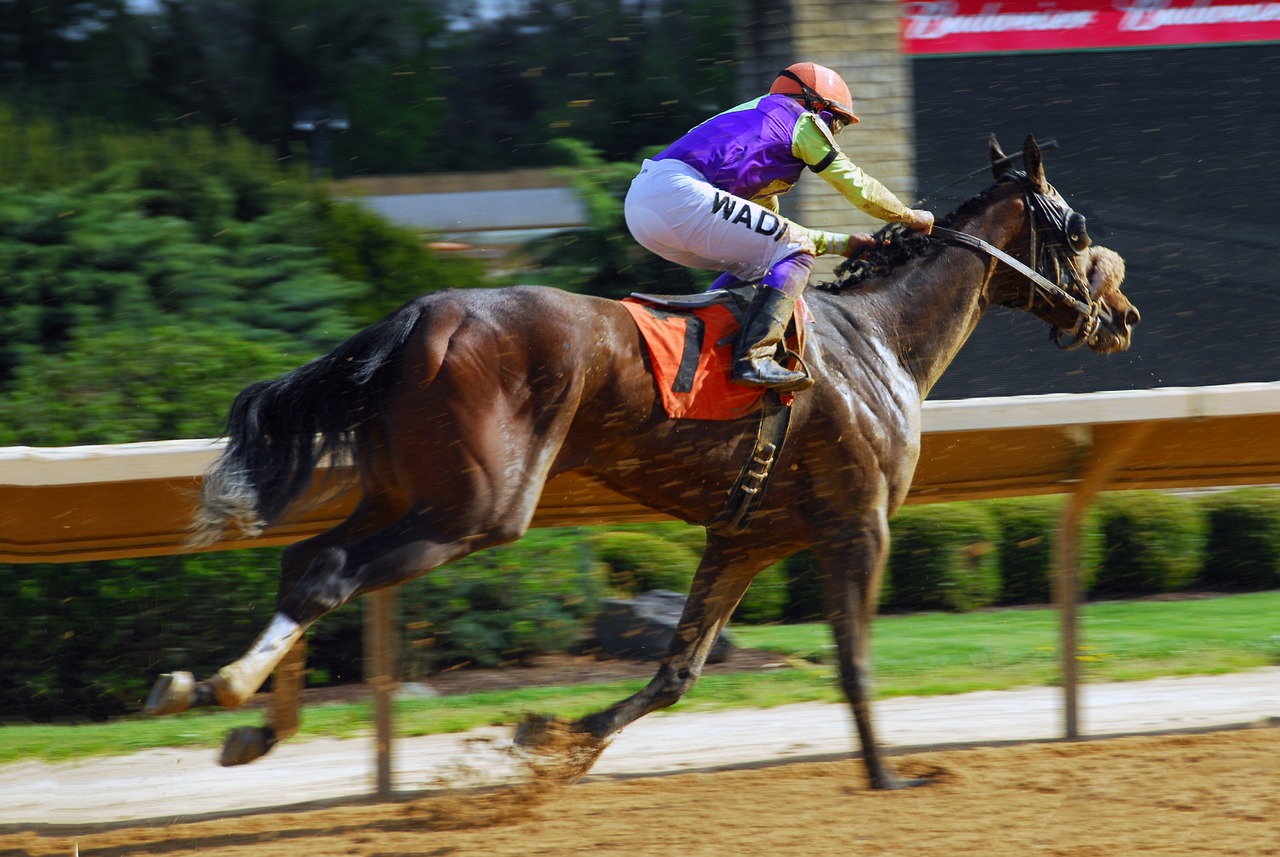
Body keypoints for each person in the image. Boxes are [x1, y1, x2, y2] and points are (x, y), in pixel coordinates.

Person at [625, 62, 935, 392]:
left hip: (645, 208)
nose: (834, 133)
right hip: (677, 196)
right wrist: (909, 216)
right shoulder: (799, 119)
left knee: (762, 263)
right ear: (814, 105)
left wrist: (844, 244)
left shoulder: (758, 125)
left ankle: (702, 346)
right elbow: (857, 186)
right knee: (795, 249)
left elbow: (774, 229)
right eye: (836, 122)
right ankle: (753, 358)